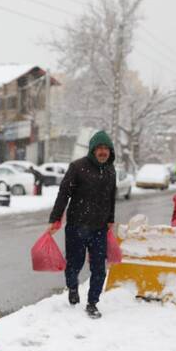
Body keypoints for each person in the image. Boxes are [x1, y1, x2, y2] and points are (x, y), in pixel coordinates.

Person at [47, 130, 116, 319]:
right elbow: (64, 193)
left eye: (106, 149)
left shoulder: (110, 170)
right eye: (99, 148)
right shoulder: (77, 167)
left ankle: (92, 303)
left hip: (99, 228)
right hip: (77, 226)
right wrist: (55, 218)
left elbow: (112, 196)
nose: (103, 152)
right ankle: (72, 288)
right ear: (93, 150)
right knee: (74, 265)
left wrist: (110, 218)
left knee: (99, 269)